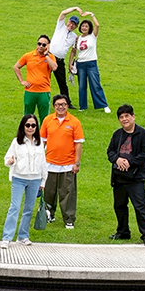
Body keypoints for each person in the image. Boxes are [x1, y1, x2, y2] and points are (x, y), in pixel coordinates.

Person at [106, 104, 145, 246]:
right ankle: (123, 231)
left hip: (136, 178)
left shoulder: (143, 134)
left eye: (127, 116)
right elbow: (110, 151)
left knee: (140, 206)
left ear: (133, 117)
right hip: (119, 177)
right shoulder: (117, 134)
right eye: (121, 117)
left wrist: (129, 162)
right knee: (119, 205)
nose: (124, 119)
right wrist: (117, 159)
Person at [1, 114, 48, 248]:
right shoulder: (16, 142)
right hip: (19, 178)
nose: (30, 128)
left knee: (28, 208)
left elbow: (43, 163)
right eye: (28, 125)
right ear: (23, 126)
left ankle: (23, 235)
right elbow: (7, 159)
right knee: (14, 207)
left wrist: (43, 182)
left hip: (35, 179)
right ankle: (7, 237)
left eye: (33, 125)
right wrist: (10, 161)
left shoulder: (40, 143)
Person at [40, 95, 84, 229]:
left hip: (68, 165)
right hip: (49, 164)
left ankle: (69, 219)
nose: (61, 107)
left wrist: (76, 163)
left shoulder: (74, 122)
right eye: (58, 104)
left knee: (68, 194)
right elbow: (42, 142)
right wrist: (40, 162)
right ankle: (49, 214)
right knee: (49, 192)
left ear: (67, 106)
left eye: (64, 104)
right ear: (54, 106)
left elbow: (78, 144)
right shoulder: (47, 120)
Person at [69, 12, 110, 113]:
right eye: (83, 26)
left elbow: (97, 25)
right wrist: (70, 63)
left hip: (91, 63)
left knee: (95, 84)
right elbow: (73, 51)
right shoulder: (78, 38)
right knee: (82, 86)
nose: (84, 28)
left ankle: (104, 105)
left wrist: (91, 15)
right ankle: (83, 106)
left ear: (89, 28)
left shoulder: (92, 36)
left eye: (86, 26)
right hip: (81, 63)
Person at [12, 34, 57, 123]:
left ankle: (43, 132)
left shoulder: (50, 57)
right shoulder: (28, 55)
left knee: (44, 118)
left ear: (48, 46)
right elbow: (16, 67)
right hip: (30, 91)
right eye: (39, 44)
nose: (41, 46)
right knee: (27, 117)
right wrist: (22, 81)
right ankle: (27, 132)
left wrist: (46, 55)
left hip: (44, 91)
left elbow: (54, 68)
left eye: (44, 45)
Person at [49, 7, 81, 103]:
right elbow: (63, 13)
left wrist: (70, 64)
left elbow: (73, 51)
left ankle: (66, 102)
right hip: (49, 57)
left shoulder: (74, 37)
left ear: (76, 27)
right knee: (44, 78)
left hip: (60, 60)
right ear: (68, 21)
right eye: (70, 22)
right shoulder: (60, 26)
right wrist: (75, 8)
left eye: (74, 24)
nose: (71, 25)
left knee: (62, 82)